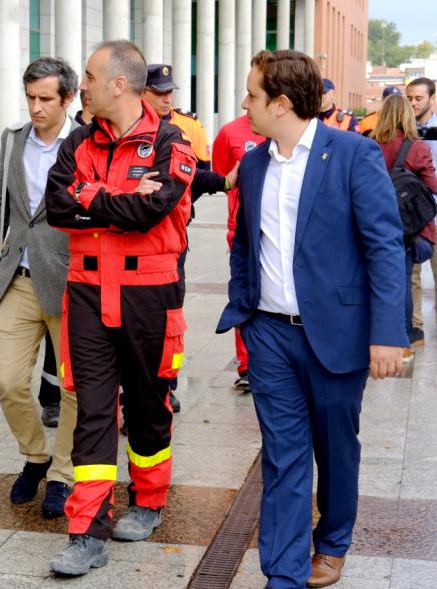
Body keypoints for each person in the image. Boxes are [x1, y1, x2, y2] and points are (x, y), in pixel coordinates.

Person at [217, 50, 407, 589]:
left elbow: (384, 247)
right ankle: (284, 572)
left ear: (280, 103)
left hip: (338, 334)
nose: (244, 105)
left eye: (252, 95)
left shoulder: (352, 154)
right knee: (284, 454)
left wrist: (388, 333)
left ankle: (333, 541)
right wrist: (245, 305)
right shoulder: (252, 164)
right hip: (270, 333)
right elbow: (242, 242)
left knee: (336, 448)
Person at [45, 41, 195, 576]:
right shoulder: (78, 142)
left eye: (88, 76)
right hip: (86, 294)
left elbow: (150, 212)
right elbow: (57, 208)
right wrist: (105, 198)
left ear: (117, 84)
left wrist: (91, 196)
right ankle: (87, 531)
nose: (80, 84)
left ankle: (150, 500)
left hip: (149, 299)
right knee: (92, 411)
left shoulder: (170, 142)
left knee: (149, 408)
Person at [0, 56, 80, 520]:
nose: (36, 108)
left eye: (45, 99)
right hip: (16, 275)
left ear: (68, 99)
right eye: (30, 98)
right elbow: (1, 198)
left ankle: (63, 474)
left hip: (69, 277)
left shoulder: (86, 142)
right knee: (9, 380)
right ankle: (36, 455)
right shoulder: (13, 139)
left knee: (74, 388)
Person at [143, 62, 232, 412]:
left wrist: (224, 182)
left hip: (171, 239)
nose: (167, 100)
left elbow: (195, 173)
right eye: (159, 93)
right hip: (133, 239)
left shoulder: (181, 130)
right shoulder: (127, 131)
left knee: (169, 316)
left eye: (170, 93)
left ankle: (168, 385)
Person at [371, 94, 437, 359]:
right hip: (407, 228)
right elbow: (433, 186)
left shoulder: (370, 144)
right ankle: (407, 336)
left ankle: (375, 333)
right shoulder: (417, 147)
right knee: (404, 279)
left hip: (374, 223)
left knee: (376, 279)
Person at [211, 114, 265, 392]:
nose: (247, 103)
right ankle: (246, 365)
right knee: (245, 294)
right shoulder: (230, 132)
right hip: (241, 231)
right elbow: (223, 174)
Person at [406, 77, 437, 347]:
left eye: (419, 98)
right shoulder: (405, 131)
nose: (413, 103)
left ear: (432, 99)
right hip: (415, 220)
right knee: (412, 276)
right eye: (410, 98)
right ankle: (416, 330)